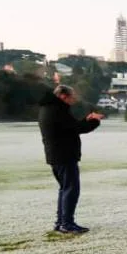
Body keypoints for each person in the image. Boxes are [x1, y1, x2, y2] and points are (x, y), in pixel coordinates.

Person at [39, 84, 103, 234]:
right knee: (71, 189)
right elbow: (77, 128)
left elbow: (71, 126)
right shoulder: (57, 110)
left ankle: (61, 222)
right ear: (63, 96)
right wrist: (94, 121)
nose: (74, 99)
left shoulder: (49, 108)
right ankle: (67, 223)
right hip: (64, 154)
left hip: (56, 154)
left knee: (64, 188)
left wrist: (86, 120)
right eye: (72, 96)